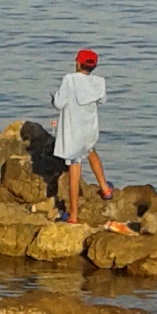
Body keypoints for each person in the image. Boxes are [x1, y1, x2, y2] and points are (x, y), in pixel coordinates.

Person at [51, 47, 111, 222]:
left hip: (73, 132)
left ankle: (73, 215)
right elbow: (102, 100)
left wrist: (54, 99)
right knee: (91, 151)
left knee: (74, 170)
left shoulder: (69, 80)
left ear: (78, 63)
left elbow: (59, 103)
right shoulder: (99, 82)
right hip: (89, 130)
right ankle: (105, 189)